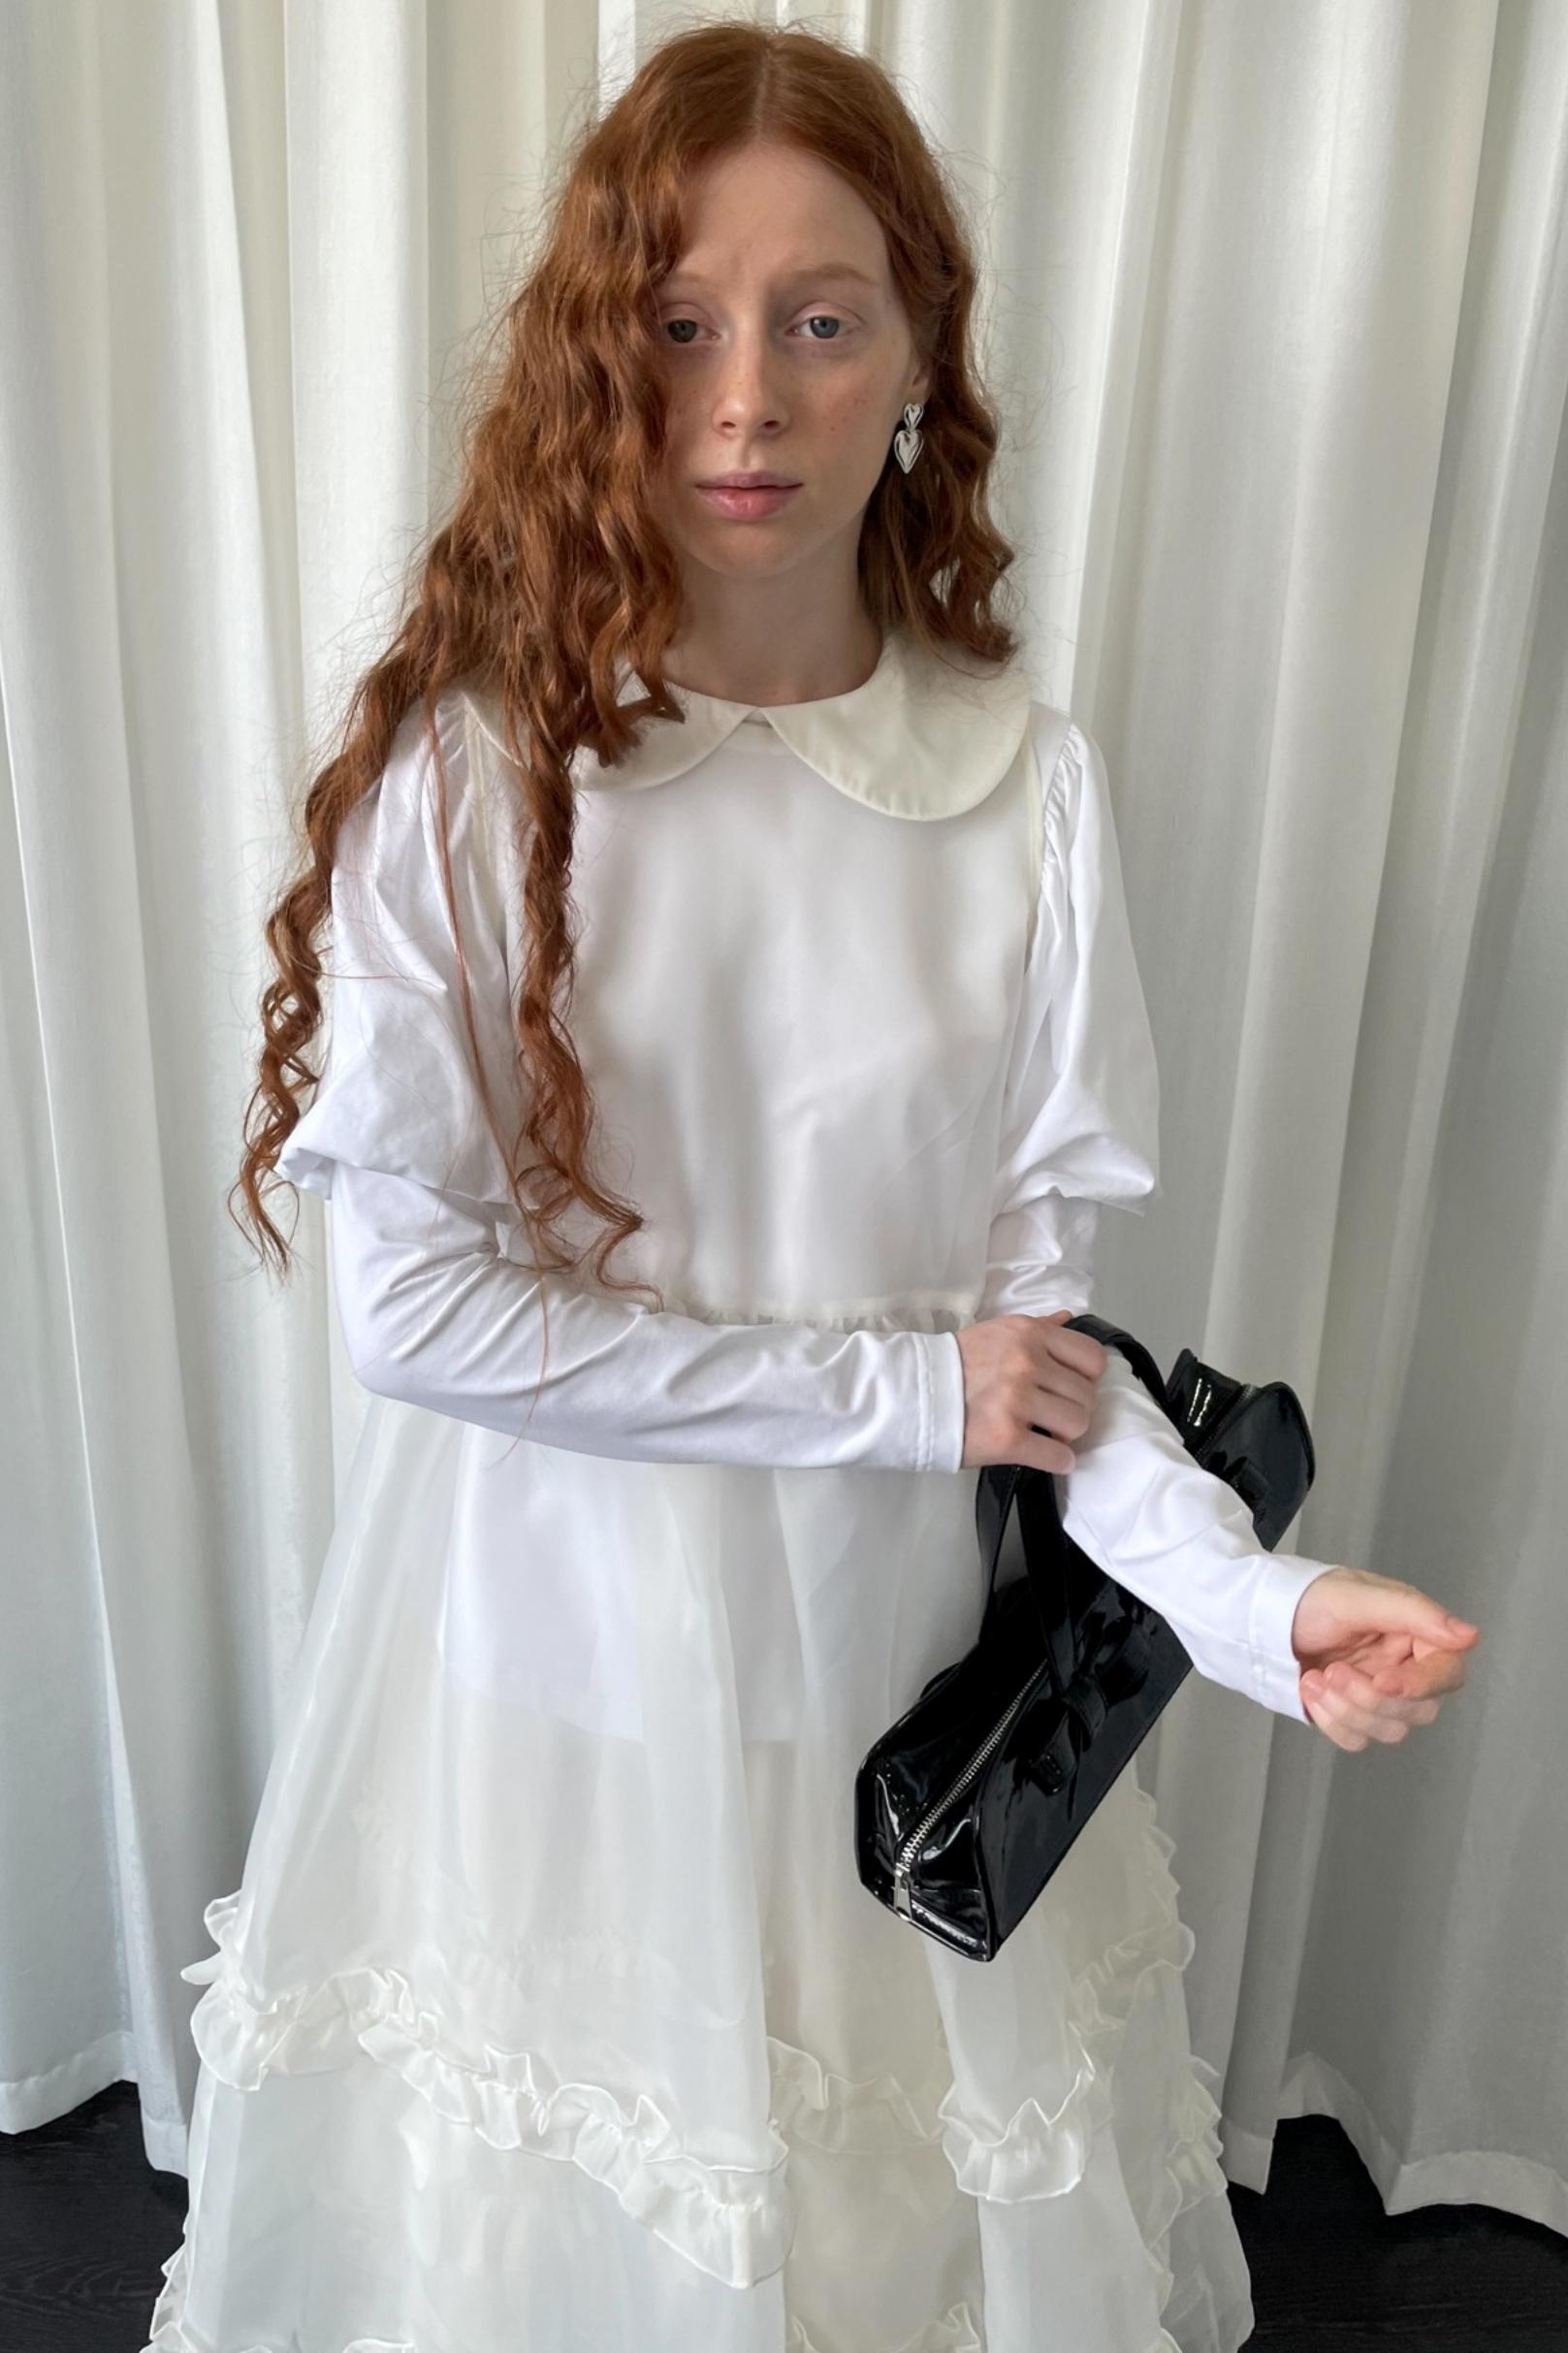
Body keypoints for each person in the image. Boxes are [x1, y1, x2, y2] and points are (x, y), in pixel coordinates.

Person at [143, 23, 1477, 2353]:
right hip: (568, 1685)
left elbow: (1042, 1370)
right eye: (676, 323)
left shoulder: (1023, 794)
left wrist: (1255, 1607)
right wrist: (897, 1398)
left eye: (818, 318)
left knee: (886, 2251)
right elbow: (415, 1318)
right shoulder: (473, 781)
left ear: (918, 357)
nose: (743, 397)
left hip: (897, 1687)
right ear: (597, 355)